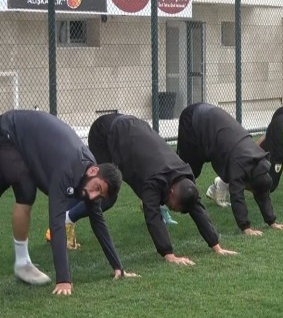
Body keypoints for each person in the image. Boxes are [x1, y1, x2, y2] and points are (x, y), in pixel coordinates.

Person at [65, 113, 237, 266]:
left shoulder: (184, 176)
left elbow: (196, 207)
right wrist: (169, 254)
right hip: (104, 132)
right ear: (171, 192)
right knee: (106, 195)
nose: (175, 210)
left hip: (131, 127)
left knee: (108, 192)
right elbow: (152, 216)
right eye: (175, 206)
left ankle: (66, 213)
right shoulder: (154, 181)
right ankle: (67, 217)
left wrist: (216, 245)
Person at [0, 110, 134, 296]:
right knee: (26, 190)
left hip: (25, 144)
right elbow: (57, 222)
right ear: (93, 171)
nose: (93, 195)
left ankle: (22, 263)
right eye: (96, 188)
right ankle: (22, 264)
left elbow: (98, 221)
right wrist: (64, 279)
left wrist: (118, 266)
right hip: (9, 131)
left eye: (99, 194)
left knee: (26, 191)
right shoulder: (67, 169)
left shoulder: (90, 174)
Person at [177, 103, 283, 236]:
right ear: (249, 184)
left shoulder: (259, 163)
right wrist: (246, 227)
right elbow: (237, 195)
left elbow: (262, 192)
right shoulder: (240, 165)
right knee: (186, 174)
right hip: (193, 118)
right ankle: (160, 201)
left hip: (209, 118)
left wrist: (272, 221)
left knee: (190, 173)